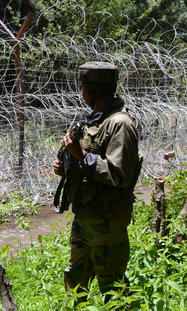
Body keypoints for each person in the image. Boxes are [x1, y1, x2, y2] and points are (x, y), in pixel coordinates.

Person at [52, 61, 142, 304]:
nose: (81, 92)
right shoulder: (95, 119)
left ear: (93, 90)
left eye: (83, 86)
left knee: (112, 287)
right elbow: (87, 165)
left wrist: (80, 155)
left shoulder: (119, 124)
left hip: (107, 220)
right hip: (85, 216)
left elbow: (118, 175)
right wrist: (66, 165)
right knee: (75, 280)